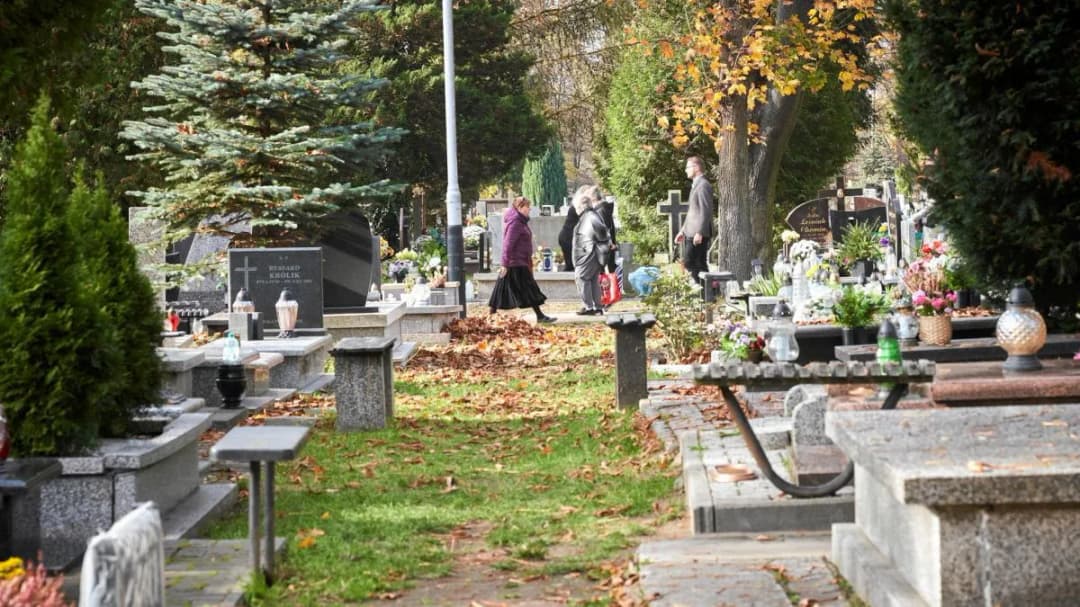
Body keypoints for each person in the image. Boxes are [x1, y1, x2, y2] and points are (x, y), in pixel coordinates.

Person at [489, 197, 556, 324]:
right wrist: (504, 264)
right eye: (527, 206)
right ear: (520, 207)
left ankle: (491, 315)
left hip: (518, 262)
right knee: (525, 288)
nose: (529, 209)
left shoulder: (520, 221)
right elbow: (508, 244)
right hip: (515, 263)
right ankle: (540, 316)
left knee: (522, 288)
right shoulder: (515, 222)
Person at [571, 185, 610, 315]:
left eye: (577, 207)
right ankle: (597, 307)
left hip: (588, 254)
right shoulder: (591, 215)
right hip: (589, 253)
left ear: (582, 207)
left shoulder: (590, 216)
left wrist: (598, 245)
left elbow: (602, 232)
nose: (576, 210)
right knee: (593, 280)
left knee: (582, 278)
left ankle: (589, 307)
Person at [675, 156, 713, 285]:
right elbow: (692, 211)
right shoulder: (696, 185)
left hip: (698, 233)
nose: (685, 170)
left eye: (688, 167)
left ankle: (708, 291)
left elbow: (705, 210)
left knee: (689, 262)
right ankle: (709, 292)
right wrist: (682, 231)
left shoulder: (703, 185)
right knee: (699, 264)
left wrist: (700, 232)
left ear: (696, 168)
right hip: (691, 232)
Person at [557, 197, 579, 272]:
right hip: (568, 238)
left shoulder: (574, 207)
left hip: (565, 236)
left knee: (569, 265)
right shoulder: (577, 208)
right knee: (571, 265)